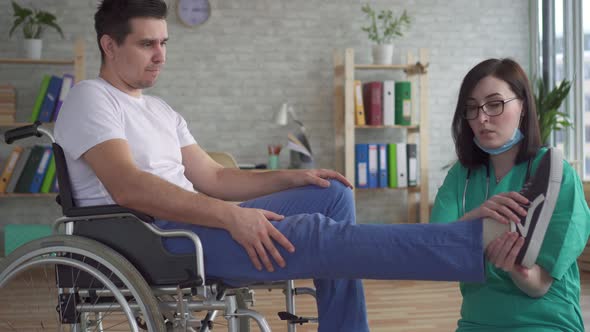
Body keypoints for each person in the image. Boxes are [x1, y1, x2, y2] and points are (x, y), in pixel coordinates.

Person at [54, 1, 556, 331]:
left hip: (189, 219)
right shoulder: (91, 99)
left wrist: (294, 176)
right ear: (109, 44)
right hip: (154, 237)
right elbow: (128, 186)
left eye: (164, 42)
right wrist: (231, 216)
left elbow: (215, 178)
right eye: (147, 44)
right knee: (314, 236)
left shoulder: (160, 110)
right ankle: (479, 240)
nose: (160, 55)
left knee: (330, 196)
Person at [431, 58, 590, 331]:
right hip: (475, 322)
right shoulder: (462, 176)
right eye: (471, 108)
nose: (482, 117)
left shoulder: (556, 174)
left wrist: (518, 268)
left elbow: (539, 285)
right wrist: (474, 224)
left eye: (494, 104)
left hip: (545, 321)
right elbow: (435, 251)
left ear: (524, 106)